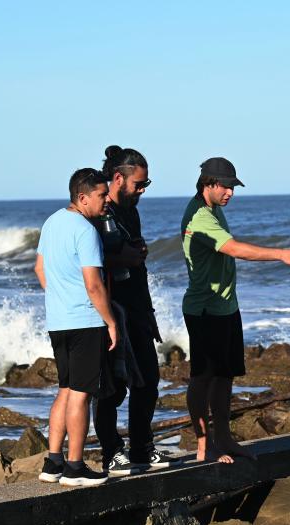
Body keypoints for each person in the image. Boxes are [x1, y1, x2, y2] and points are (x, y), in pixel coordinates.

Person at [181, 157, 290, 463]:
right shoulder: (199, 217)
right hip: (203, 310)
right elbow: (235, 249)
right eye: (225, 187)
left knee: (225, 375)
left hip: (225, 306)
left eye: (232, 187)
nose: (230, 193)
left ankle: (224, 439)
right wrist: (280, 254)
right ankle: (204, 445)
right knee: (203, 377)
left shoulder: (214, 209)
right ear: (208, 184)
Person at [92, 145, 177, 475]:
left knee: (149, 380)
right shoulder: (98, 210)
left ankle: (141, 446)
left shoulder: (131, 211)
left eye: (146, 184)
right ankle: (112, 452)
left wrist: (149, 312)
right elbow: (88, 263)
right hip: (109, 310)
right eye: (139, 184)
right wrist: (121, 258)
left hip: (137, 307)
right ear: (117, 178)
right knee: (111, 388)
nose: (142, 191)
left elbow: (136, 263)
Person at [35, 168, 118, 486]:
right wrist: (110, 321)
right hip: (85, 321)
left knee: (66, 390)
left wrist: (59, 297)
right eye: (101, 195)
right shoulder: (86, 230)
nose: (107, 200)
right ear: (83, 198)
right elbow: (94, 284)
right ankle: (75, 467)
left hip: (59, 321)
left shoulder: (52, 222)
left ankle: (53, 462)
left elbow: (39, 268)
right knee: (81, 395)